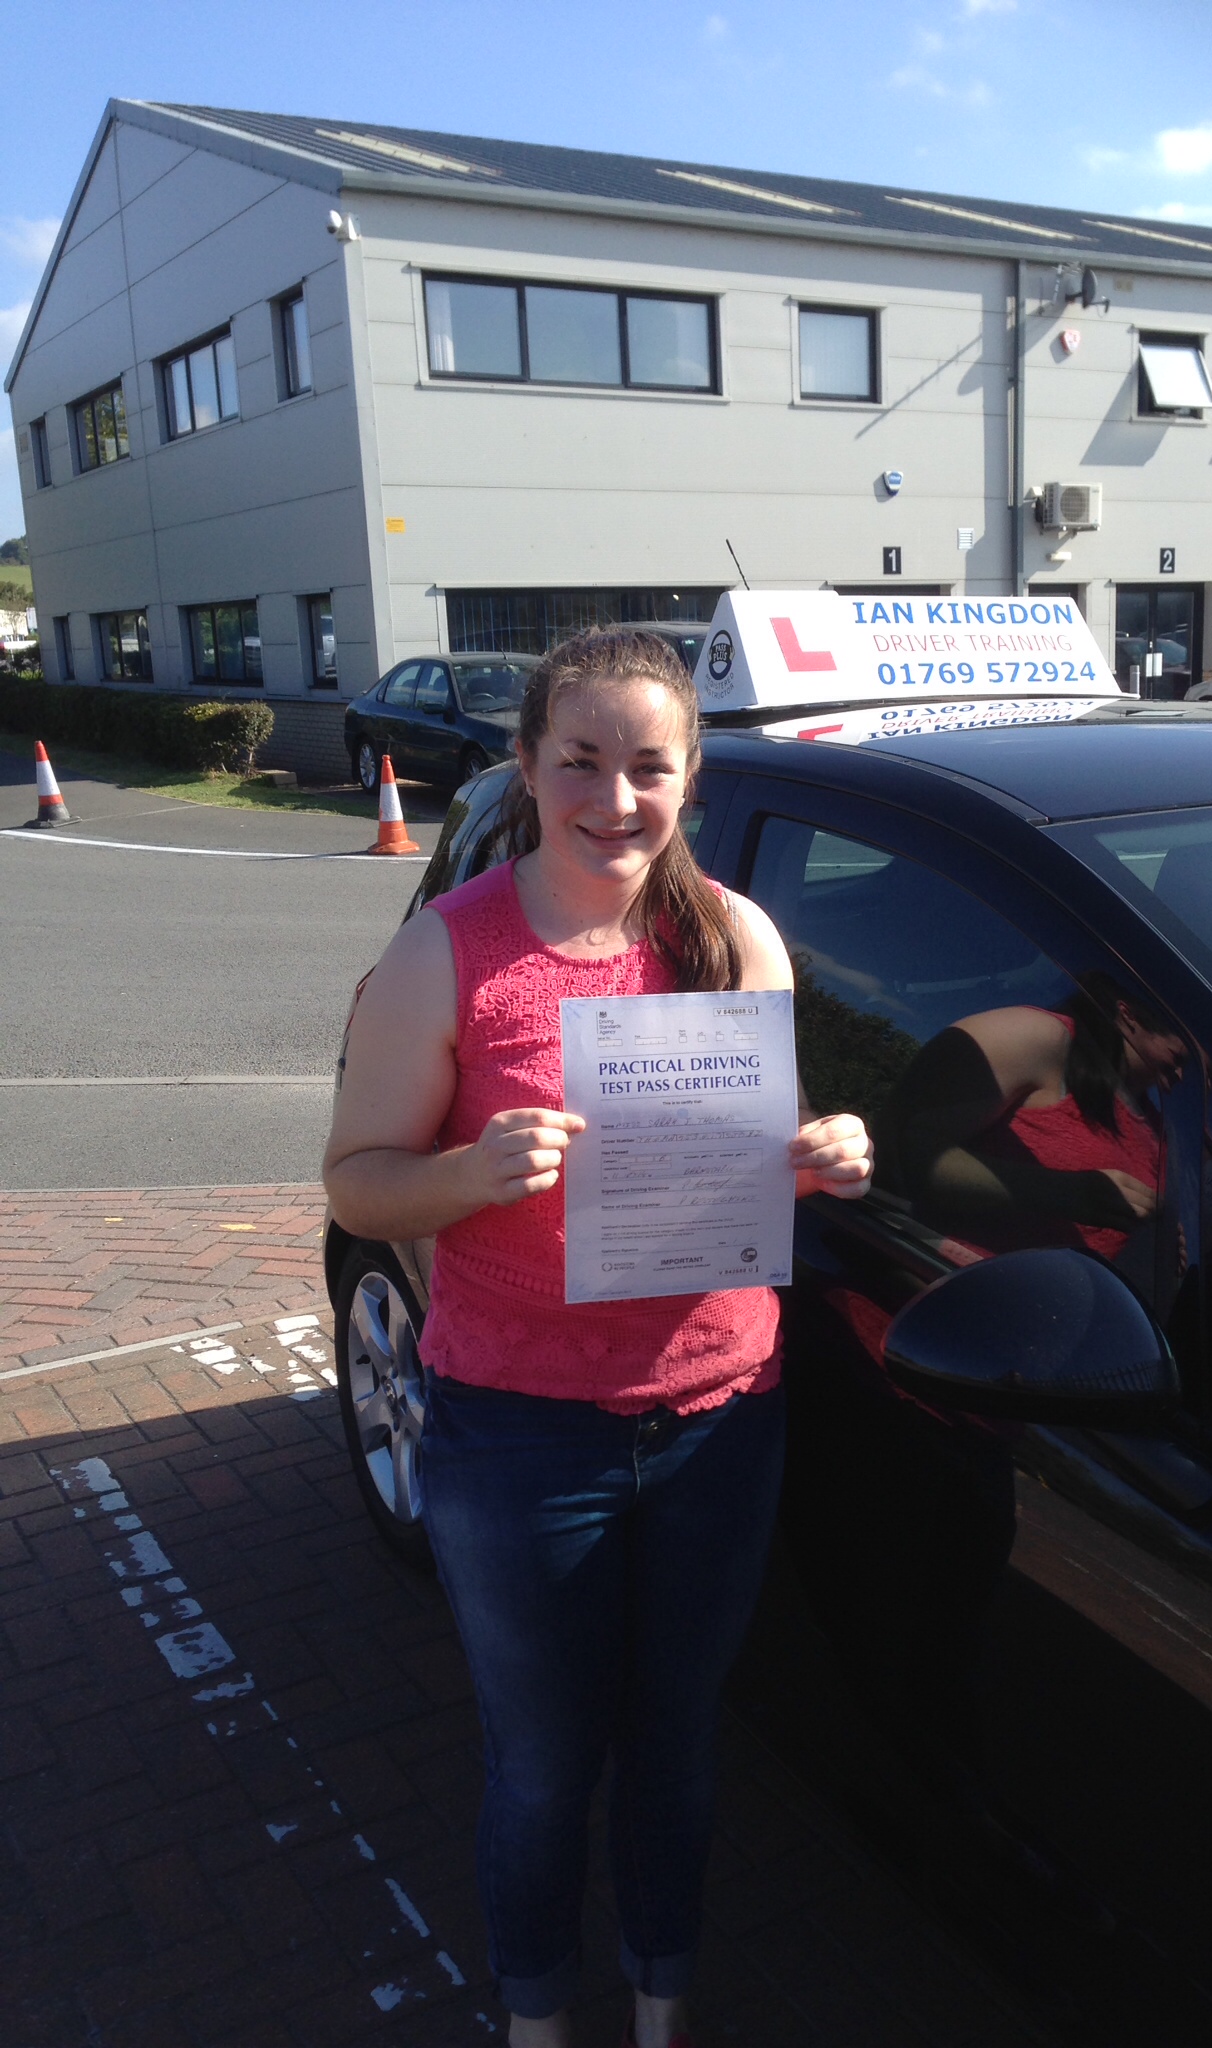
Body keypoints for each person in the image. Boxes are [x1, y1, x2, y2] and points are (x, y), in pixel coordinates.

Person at [323, 629, 873, 2048]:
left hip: (720, 1413)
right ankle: (537, 2019)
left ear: (690, 777)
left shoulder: (733, 938)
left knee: (680, 1744)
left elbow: (756, 1149)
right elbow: (356, 1183)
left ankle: (661, 2007)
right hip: (519, 1430)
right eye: (580, 760)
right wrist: (467, 1174)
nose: (614, 799)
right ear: (526, 765)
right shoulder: (447, 955)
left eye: (649, 766)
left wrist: (824, 1149)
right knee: (545, 1764)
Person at [888, 972, 1187, 1261]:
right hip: (927, 1276)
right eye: (1177, 1059)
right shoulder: (1038, 1038)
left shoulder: (1157, 1129)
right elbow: (903, 1152)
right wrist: (1064, 1191)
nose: (1182, 1076)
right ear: (1129, 1015)